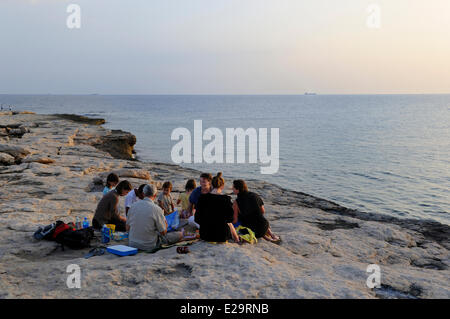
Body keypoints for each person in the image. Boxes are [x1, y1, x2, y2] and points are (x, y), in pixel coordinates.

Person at [126, 184, 183, 252]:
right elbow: (163, 232)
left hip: (132, 243)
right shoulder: (157, 209)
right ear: (155, 195)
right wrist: (165, 222)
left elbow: (127, 228)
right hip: (149, 245)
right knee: (179, 234)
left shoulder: (133, 206)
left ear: (143, 194)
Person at [194, 172, 240, 243]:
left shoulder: (202, 198)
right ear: (222, 186)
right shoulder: (226, 200)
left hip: (205, 235)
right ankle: (237, 239)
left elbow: (196, 219)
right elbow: (230, 219)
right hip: (222, 236)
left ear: (211, 185)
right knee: (229, 224)